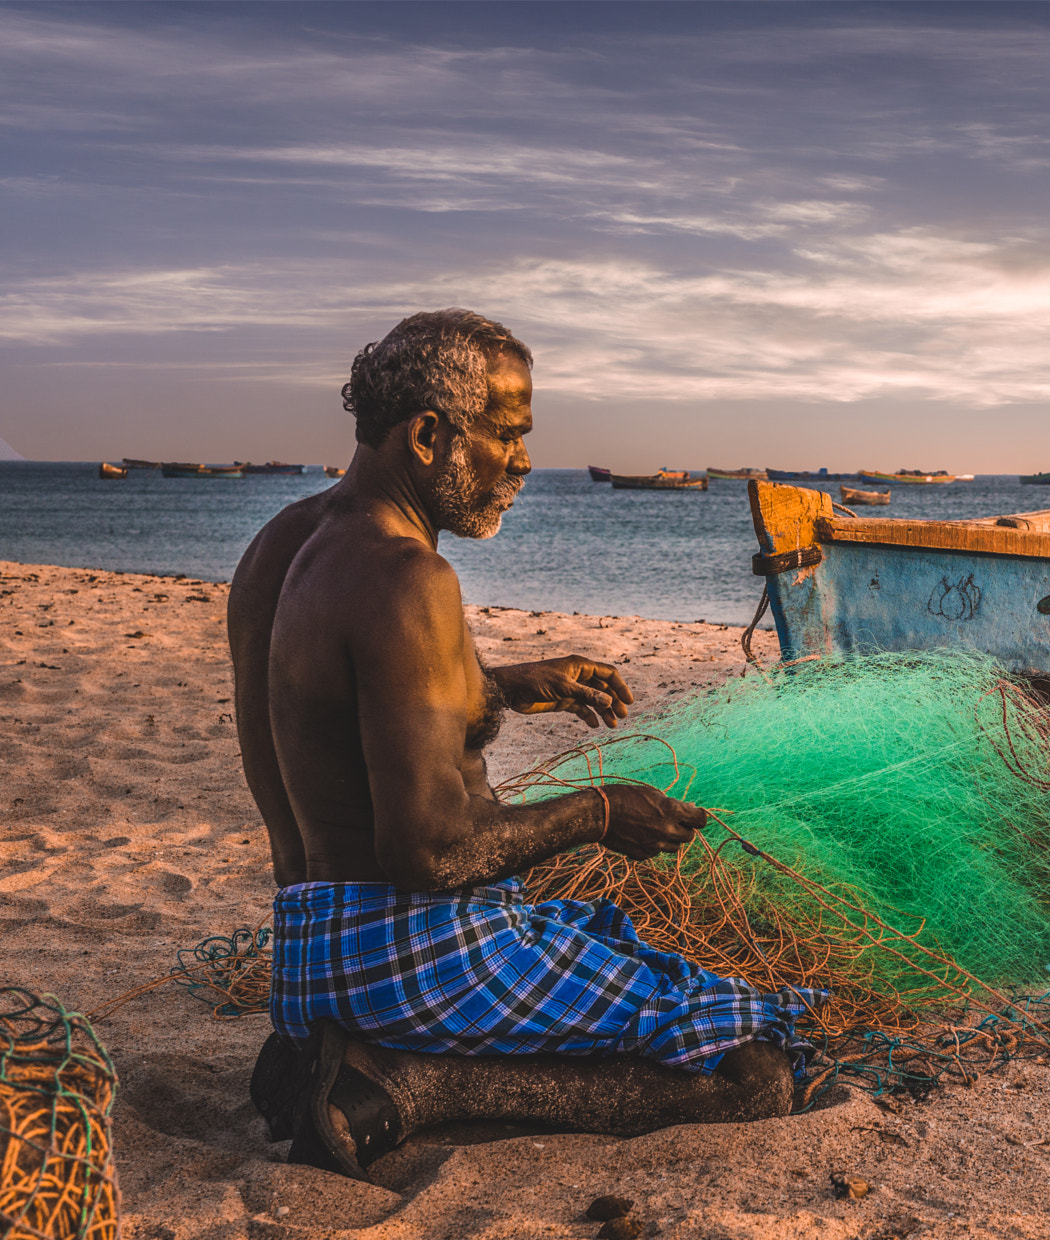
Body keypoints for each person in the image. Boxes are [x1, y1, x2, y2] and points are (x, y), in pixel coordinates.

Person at [229, 309, 819, 1182]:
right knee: (757, 1061)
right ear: (428, 434)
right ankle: (405, 1085)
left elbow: (330, 713)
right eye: (505, 434)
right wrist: (601, 810)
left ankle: (341, 1056)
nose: (523, 461)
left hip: (310, 954)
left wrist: (496, 684)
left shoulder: (279, 547)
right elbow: (428, 850)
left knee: (610, 945)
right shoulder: (409, 577)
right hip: (416, 954)